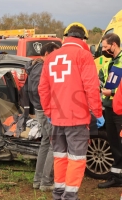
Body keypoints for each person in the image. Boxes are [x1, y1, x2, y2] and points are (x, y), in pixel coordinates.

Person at [38, 22, 104, 200]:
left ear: (65, 37)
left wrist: (49, 113)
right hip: (77, 118)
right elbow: (91, 88)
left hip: (57, 118)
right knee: (77, 158)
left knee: (60, 157)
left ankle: (58, 193)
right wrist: (98, 113)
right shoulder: (84, 55)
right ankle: (70, 196)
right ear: (83, 39)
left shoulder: (51, 57)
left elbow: (43, 89)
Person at [24, 42, 60, 192]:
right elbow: (39, 91)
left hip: (41, 109)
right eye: (55, 54)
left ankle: (38, 180)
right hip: (45, 110)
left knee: (46, 142)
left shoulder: (36, 67)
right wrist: (49, 109)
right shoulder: (41, 68)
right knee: (54, 143)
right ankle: (46, 182)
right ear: (47, 54)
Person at [98, 33, 122, 188]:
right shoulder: (109, 63)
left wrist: (111, 93)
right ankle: (116, 175)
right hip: (108, 107)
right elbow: (102, 78)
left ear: (114, 45)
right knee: (114, 142)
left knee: (120, 142)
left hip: (119, 109)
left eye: (106, 47)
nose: (104, 50)